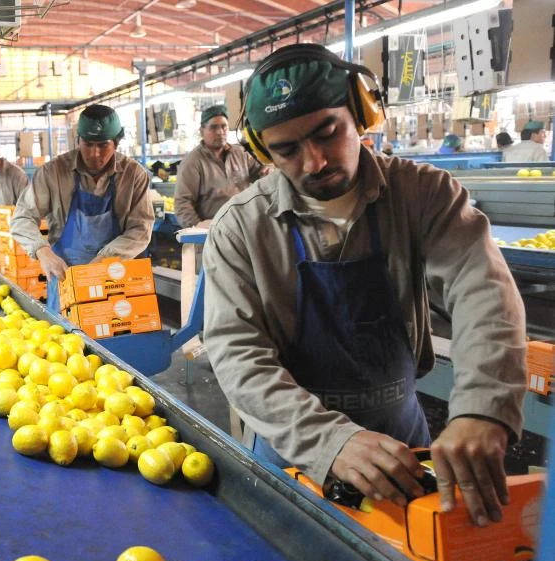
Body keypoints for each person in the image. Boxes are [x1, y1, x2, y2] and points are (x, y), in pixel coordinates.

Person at [202, 44, 526, 528]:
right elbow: (237, 352)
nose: (315, 162)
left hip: (404, 443)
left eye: (328, 133)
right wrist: (328, 441)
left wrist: (484, 407)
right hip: (295, 453)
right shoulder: (241, 228)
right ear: (262, 149)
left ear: (361, 113)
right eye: (287, 150)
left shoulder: (424, 195)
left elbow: (484, 293)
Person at [10, 103, 154, 311]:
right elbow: (22, 218)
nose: (94, 153)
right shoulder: (53, 173)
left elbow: (141, 228)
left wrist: (104, 259)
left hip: (115, 278)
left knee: (113, 326)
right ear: (78, 140)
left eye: (103, 145)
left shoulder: (133, 176)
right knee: (63, 330)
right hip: (65, 279)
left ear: (116, 143)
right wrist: (42, 251)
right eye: (88, 144)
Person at [174, 104, 268, 228]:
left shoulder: (241, 154)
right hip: (214, 231)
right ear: (202, 131)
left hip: (245, 226)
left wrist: (268, 170)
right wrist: (197, 226)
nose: (220, 132)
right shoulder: (192, 163)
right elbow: (182, 204)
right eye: (213, 128)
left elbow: (262, 172)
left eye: (224, 127)